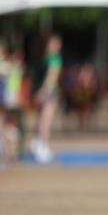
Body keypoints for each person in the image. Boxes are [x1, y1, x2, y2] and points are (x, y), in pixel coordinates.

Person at [30, 34, 63, 164]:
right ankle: (42, 146)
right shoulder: (54, 59)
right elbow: (51, 77)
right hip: (49, 92)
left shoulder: (42, 58)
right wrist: (45, 91)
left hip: (41, 91)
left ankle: (39, 144)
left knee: (41, 119)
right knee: (45, 121)